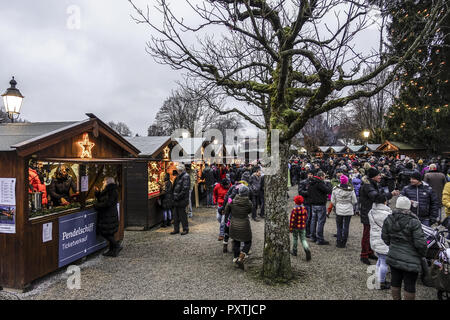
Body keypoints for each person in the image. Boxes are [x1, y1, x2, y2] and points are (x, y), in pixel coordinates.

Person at [381, 196, 428, 300]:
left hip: (394, 255)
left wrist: (392, 245)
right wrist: (422, 254)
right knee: (410, 285)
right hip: (411, 259)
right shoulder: (414, 222)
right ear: (408, 207)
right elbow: (420, 243)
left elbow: (384, 237)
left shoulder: (389, 219)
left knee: (395, 281)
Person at [359, 167, 399, 265]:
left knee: (371, 233)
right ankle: (364, 254)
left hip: (370, 212)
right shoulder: (368, 186)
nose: (380, 176)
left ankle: (369, 252)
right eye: (378, 175)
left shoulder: (372, 184)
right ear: (373, 177)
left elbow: (379, 193)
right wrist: (391, 194)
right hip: (367, 212)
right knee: (367, 234)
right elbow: (377, 198)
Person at [368, 199, 392, 290]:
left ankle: (378, 279)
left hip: (374, 239)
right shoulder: (388, 214)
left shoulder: (371, 212)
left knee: (380, 259)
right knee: (384, 262)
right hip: (383, 241)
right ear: (385, 202)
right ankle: (381, 283)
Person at [227, 185, 253, 269]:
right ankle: (241, 257)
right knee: (248, 242)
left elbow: (227, 210)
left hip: (234, 224)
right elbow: (250, 211)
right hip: (244, 225)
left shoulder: (232, 201)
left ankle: (235, 258)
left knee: (236, 241)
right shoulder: (248, 203)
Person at [95, 177, 121, 257]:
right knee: (110, 233)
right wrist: (97, 193)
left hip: (108, 215)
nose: (102, 182)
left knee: (105, 233)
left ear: (107, 182)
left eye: (104, 181)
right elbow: (103, 199)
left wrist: (96, 206)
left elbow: (107, 203)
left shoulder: (111, 191)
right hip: (109, 215)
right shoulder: (110, 190)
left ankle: (116, 246)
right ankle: (112, 250)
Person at [331, 175, 357, 248]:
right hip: (348, 208)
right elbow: (354, 201)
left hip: (339, 208)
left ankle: (339, 241)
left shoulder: (335, 189)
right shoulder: (350, 190)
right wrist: (349, 204)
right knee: (346, 226)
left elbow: (332, 200)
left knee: (339, 226)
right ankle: (344, 242)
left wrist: (337, 204)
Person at [308, 171, 332, 245]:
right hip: (320, 204)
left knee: (313, 221)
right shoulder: (319, 183)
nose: (324, 178)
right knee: (321, 222)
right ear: (321, 176)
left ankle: (312, 236)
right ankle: (320, 238)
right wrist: (328, 184)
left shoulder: (311, 182)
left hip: (313, 203)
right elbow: (328, 190)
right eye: (324, 176)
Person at [289, 195, 311, 261]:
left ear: (295, 202)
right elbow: (306, 217)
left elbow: (292, 220)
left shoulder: (294, 210)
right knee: (303, 239)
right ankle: (307, 249)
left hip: (295, 227)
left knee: (295, 238)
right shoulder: (304, 209)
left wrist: (290, 228)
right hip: (302, 227)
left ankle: (294, 251)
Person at [171, 164, 191, 235]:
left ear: (180, 170)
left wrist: (178, 196)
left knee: (182, 215)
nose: (177, 171)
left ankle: (185, 229)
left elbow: (185, 189)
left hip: (182, 199)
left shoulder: (186, 176)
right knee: (175, 215)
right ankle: (176, 229)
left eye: (177, 170)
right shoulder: (179, 176)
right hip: (177, 198)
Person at [298, 171, 314, 238]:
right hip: (306, 201)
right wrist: (309, 192)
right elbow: (300, 191)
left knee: (312, 218)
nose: (310, 175)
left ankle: (311, 231)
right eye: (309, 174)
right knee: (307, 217)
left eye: (311, 174)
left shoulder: (314, 182)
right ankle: (306, 232)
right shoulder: (303, 182)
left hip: (313, 202)